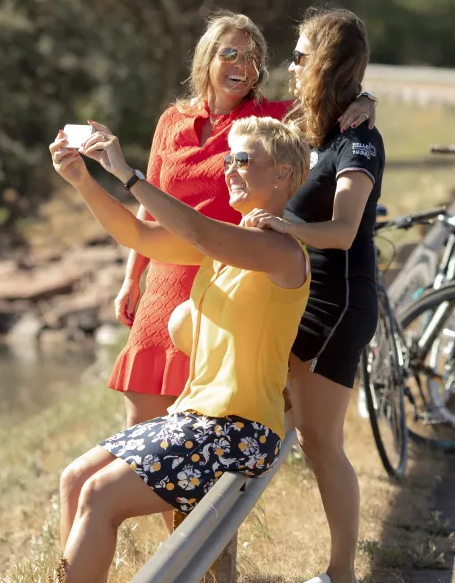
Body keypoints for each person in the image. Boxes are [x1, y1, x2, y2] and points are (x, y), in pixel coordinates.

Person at [49, 116, 313, 583]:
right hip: (194, 419)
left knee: (100, 495)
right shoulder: (226, 248)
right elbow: (139, 236)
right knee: (75, 481)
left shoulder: (283, 252)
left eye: (243, 159)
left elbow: (200, 233)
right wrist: (83, 181)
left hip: (239, 429)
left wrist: (129, 174)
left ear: (283, 175)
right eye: (228, 158)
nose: (230, 168)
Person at [108, 11, 377, 440]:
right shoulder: (170, 121)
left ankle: (210, 507)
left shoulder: (273, 119)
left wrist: (367, 102)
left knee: (194, 426)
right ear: (206, 59)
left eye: (252, 58)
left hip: (225, 274)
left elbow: (329, 98)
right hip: (163, 279)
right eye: (230, 53)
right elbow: (149, 205)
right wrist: (131, 279)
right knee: (141, 427)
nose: (242, 65)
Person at [241, 7, 383, 583]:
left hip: (337, 305)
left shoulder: (360, 141)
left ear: (324, 61)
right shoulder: (315, 126)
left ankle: (341, 573)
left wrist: (284, 227)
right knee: (284, 421)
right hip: (302, 300)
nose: (291, 65)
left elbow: (345, 230)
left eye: (301, 55)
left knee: (323, 442)